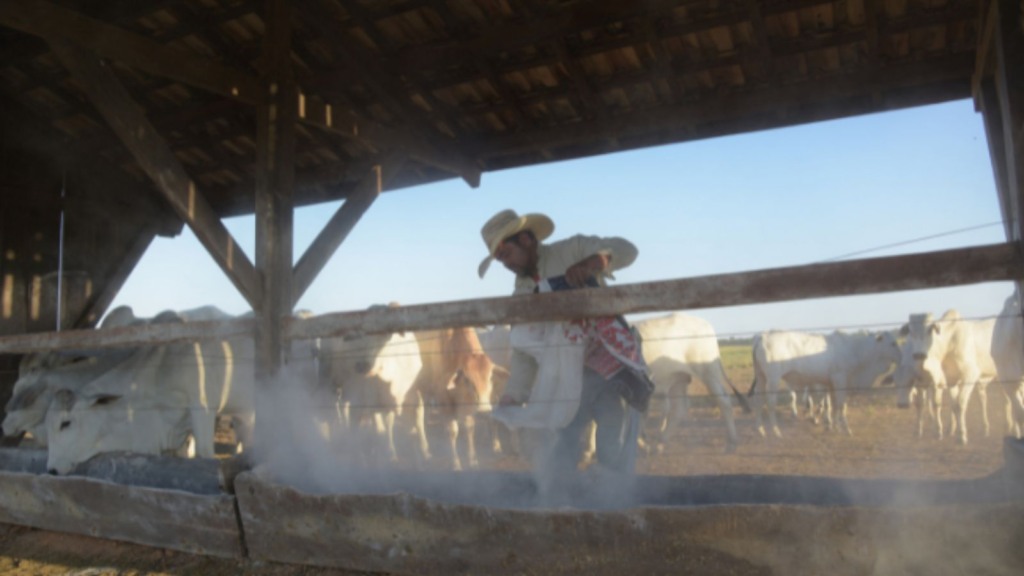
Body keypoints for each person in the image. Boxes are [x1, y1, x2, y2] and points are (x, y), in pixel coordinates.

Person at [478, 209, 646, 476]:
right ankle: (561, 502)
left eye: (506, 254)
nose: (505, 264)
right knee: (564, 442)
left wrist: (595, 262)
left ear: (524, 239)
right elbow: (524, 352)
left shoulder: (573, 250)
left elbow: (628, 250)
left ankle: (612, 502)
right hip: (567, 382)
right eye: (499, 259)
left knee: (611, 438)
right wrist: (513, 395)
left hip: (608, 371)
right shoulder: (520, 293)